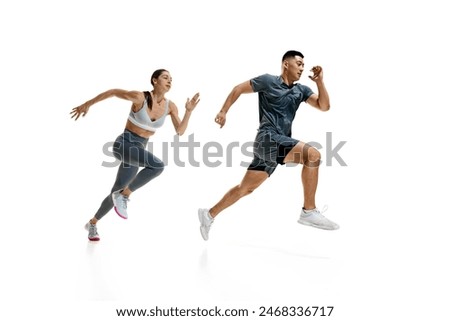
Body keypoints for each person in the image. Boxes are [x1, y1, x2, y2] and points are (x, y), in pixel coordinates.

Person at [198, 50, 339, 241]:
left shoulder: (301, 90)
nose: (302, 68)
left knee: (245, 188)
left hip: (273, 146)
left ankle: (208, 214)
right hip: (267, 139)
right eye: (298, 64)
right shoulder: (268, 81)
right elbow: (238, 88)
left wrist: (320, 81)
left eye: (303, 65)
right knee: (312, 155)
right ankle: (309, 211)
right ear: (286, 64)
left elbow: (324, 106)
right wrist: (223, 111)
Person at [71, 69, 200, 241]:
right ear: (154, 81)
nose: (170, 81)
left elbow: (180, 131)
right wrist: (88, 103)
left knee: (115, 192)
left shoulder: (171, 107)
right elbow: (113, 92)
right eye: (165, 77)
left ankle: (92, 223)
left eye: (171, 79)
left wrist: (189, 111)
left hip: (137, 153)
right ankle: (125, 195)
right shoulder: (140, 98)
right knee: (157, 166)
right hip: (123, 144)